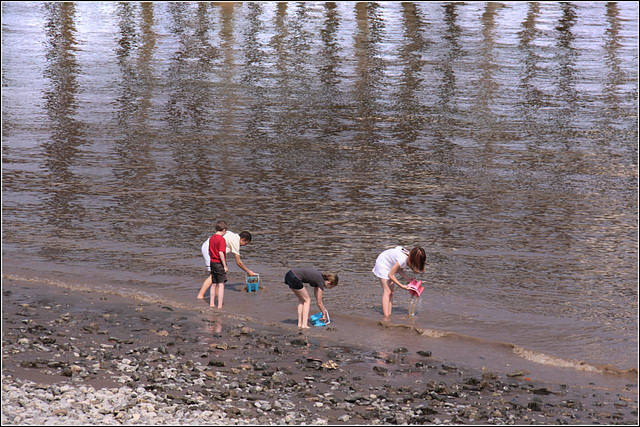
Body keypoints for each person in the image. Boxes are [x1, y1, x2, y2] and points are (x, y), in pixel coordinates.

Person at [197, 230, 255, 299]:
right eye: (245, 243)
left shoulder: (232, 234)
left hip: (214, 250)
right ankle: (200, 295)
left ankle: (216, 294)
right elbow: (238, 262)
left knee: (219, 273)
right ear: (243, 239)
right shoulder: (235, 242)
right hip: (209, 249)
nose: (244, 245)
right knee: (213, 275)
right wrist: (248, 271)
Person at [372, 246, 426, 317]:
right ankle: (386, 317)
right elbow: (390, 275)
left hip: (389, 265)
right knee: (387, 291)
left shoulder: (407, 257)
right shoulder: (402, 259)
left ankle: (389, 314)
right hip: (383, 264)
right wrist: (402, 286)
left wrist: (407, 279)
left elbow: (399, 269)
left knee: (391, 292)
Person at [207, 221, 229, 309]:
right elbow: (221, 253)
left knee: (213, 284)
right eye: (225, 231)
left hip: (212, 262)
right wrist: (225, 266)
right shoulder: (221, 239)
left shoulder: (211, 238)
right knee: (221, 284)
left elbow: (209, 251)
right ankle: (219, 305)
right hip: (219, 263)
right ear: (223, 230)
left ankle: (211, 303)